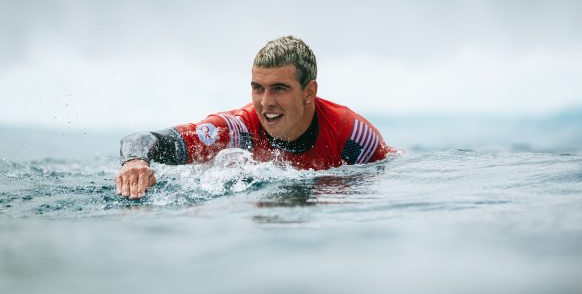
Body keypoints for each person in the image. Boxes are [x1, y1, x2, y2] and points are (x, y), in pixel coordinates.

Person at [116, 36, 394, 199]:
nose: (265, 103)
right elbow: (143, 139)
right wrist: (136, 161)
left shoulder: (350, 133)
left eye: (279, 89)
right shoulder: (237, 130)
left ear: (309, 91)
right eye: (257, 88)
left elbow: (391, 175)